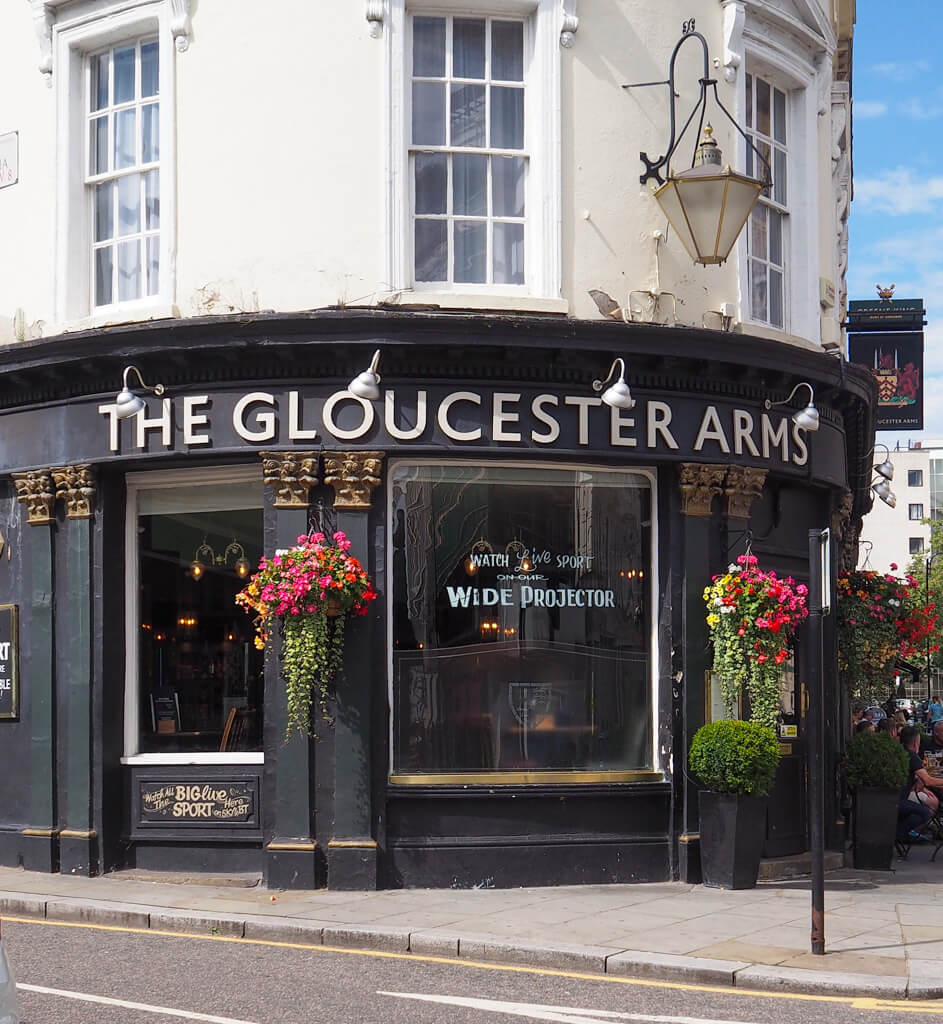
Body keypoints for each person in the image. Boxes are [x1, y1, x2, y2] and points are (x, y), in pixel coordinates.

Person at [899, 726, 943, 840]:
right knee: (925, 812)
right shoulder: (912, 756)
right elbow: (928, 780)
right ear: (915, 743)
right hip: (899, 799)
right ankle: (900, 833)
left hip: (894, 797)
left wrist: (918, 780)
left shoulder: (900, 751)